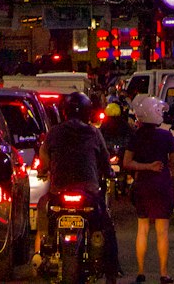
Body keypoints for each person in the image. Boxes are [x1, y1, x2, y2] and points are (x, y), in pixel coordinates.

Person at [35, 90, 118, 281]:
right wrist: (110, 173)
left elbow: (44, 161)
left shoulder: (54, 133)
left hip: (59, 191)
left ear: (64, 112)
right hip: (88, 191)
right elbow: (105, 162)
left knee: (43, 207)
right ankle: (112, 272)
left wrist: (43, 171)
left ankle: (38, 253)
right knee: (107, 227)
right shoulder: (94, 133)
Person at [123, 94, 174, 284]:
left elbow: (127, 162)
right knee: (162, 231)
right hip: (162, 185)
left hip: (142, 185)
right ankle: (164, 273)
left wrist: (145, 167)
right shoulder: (166, 136)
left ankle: (140, 271)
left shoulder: (136, 136)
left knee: (142, 228)